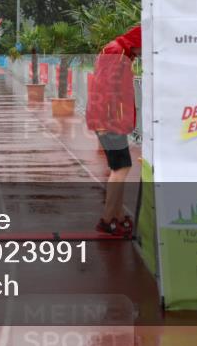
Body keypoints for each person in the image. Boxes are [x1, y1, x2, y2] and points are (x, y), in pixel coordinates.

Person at [85, 24, 141, 236]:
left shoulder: (118, 50)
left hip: (107, 118)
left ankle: (116, 215)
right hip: (110, 120)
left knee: (121, 166)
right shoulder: (118, 53)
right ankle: (108, 219)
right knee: (121, 169)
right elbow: (107, 90)